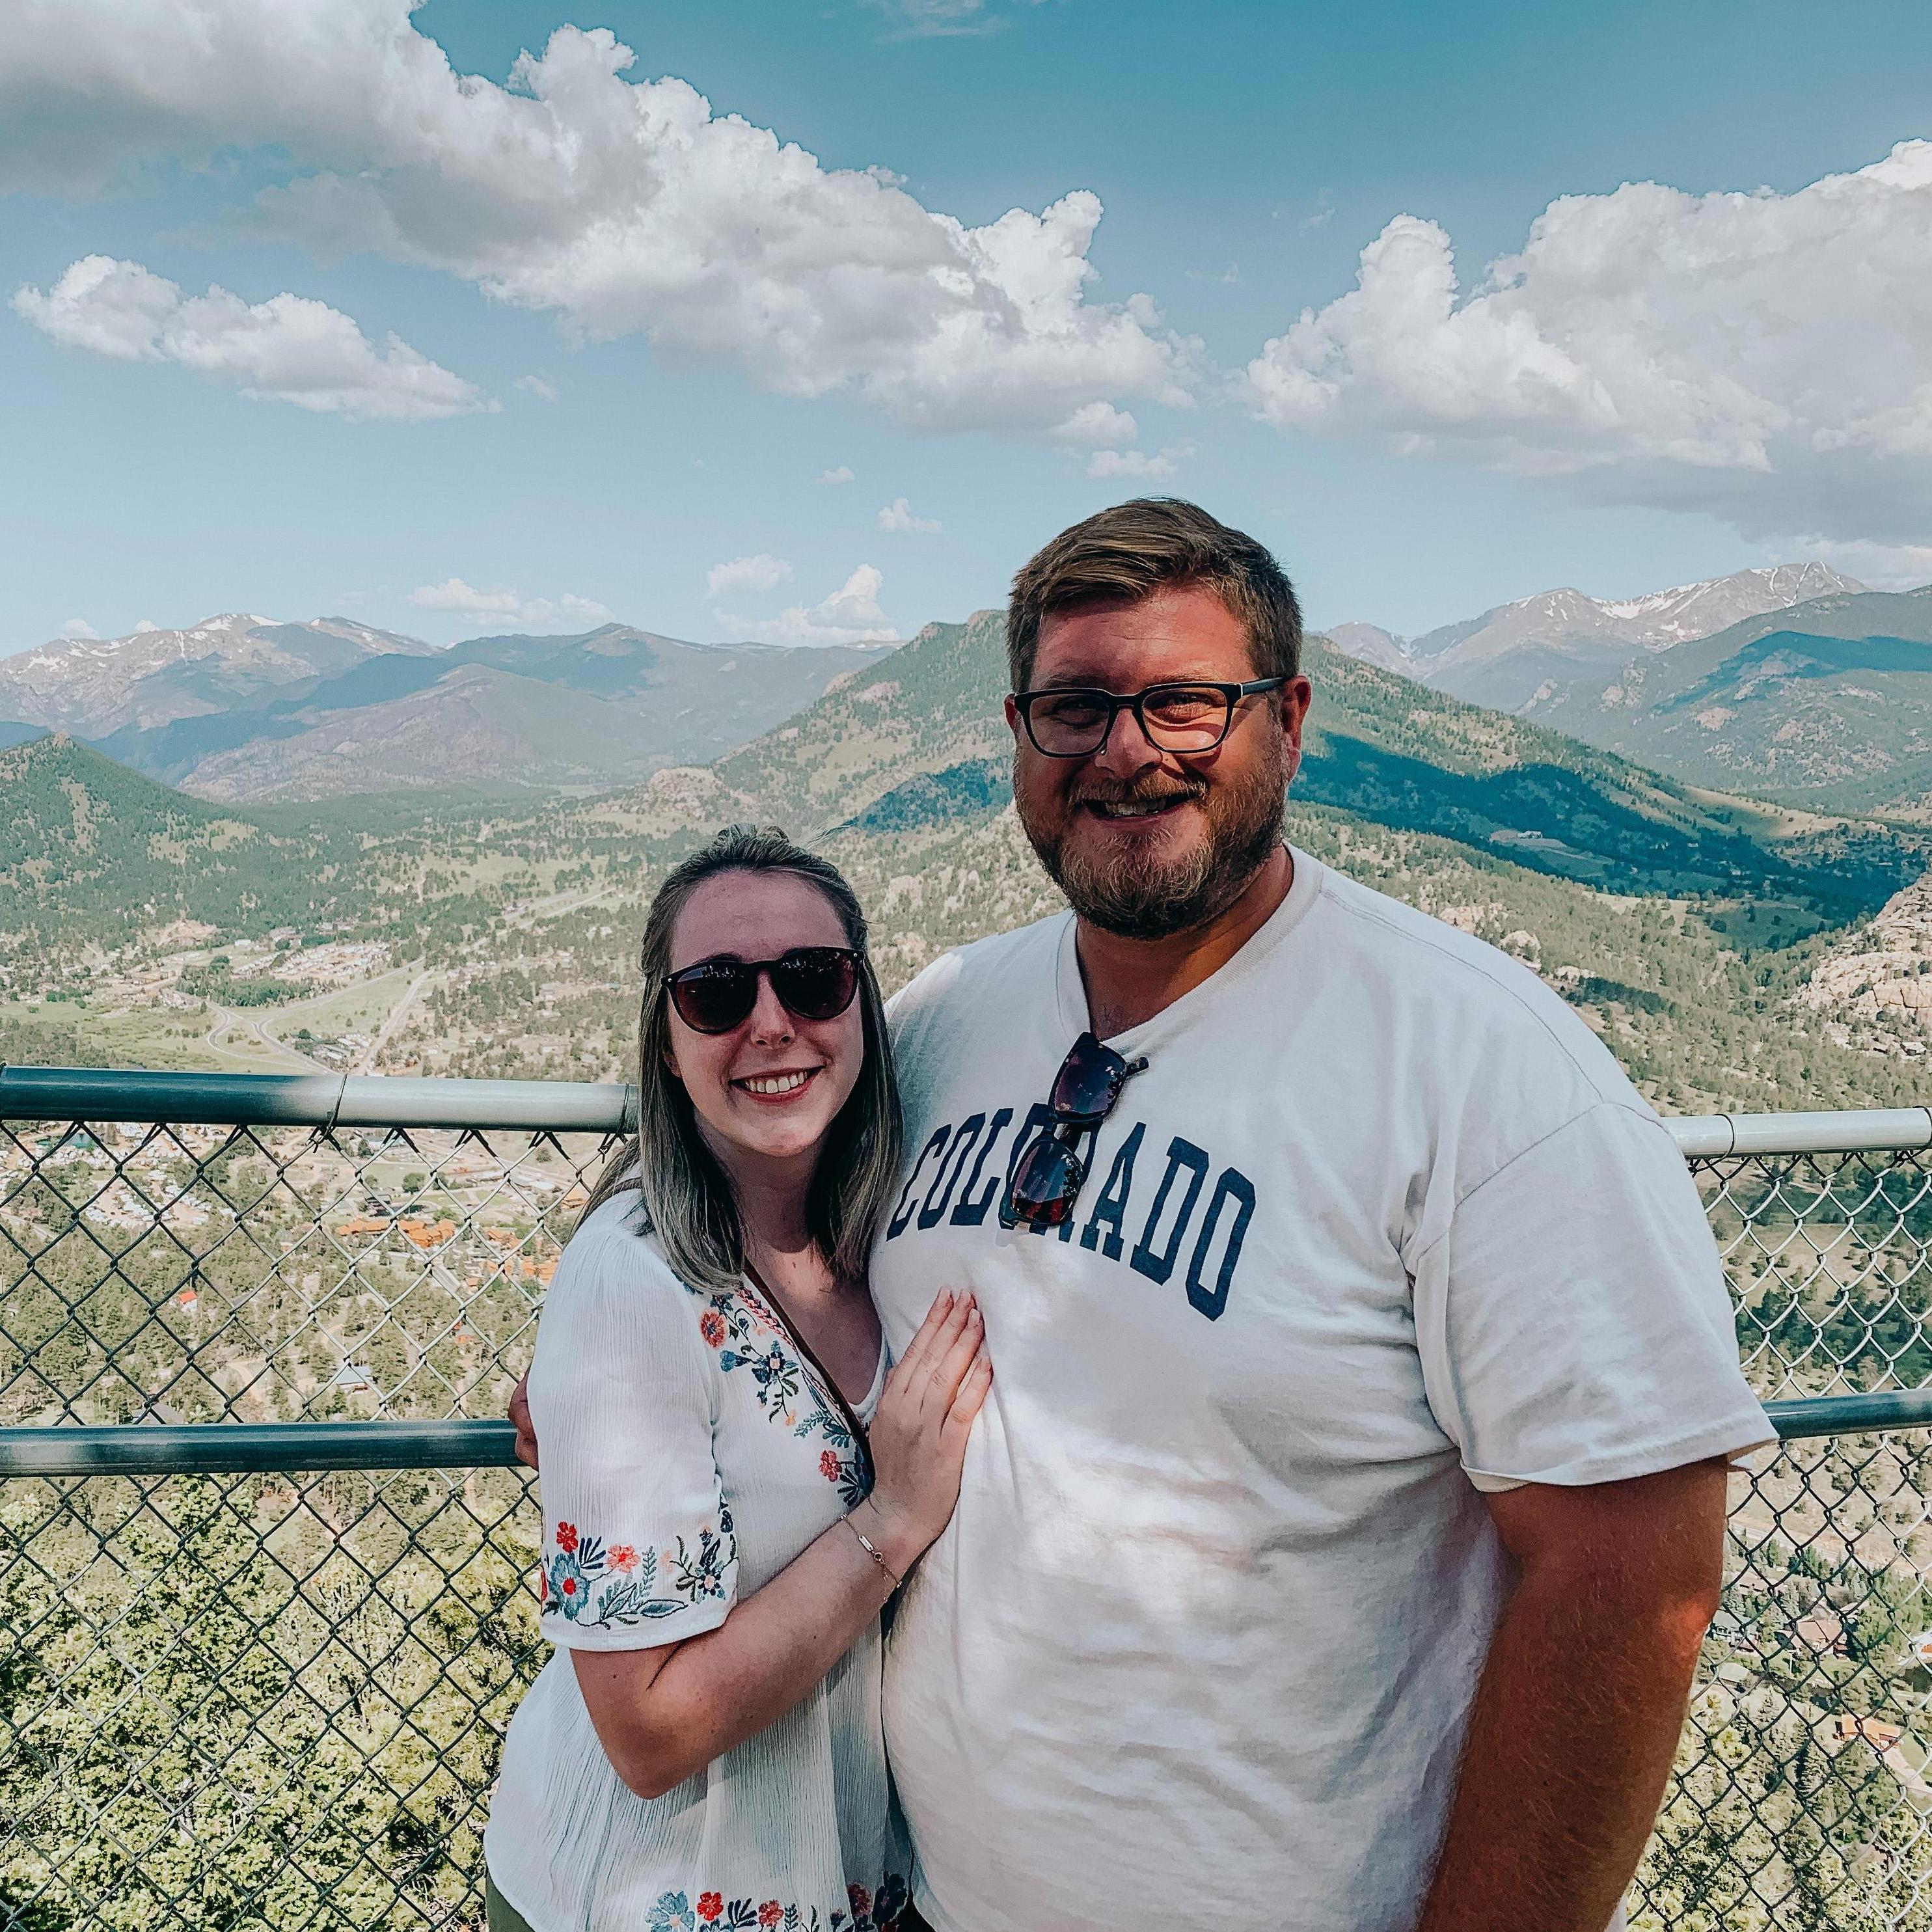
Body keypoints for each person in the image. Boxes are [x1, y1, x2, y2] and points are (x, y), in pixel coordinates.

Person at [517, 499, 1773, 1932]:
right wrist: (605, 1346)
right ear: (1019, 737)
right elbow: (761, 1194)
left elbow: (1636, 1573)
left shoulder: (1484, 1077)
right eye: (1075, 708)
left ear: (1287, 721)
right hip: (932, 1902)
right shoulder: (945, 1020)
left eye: (1184, 701)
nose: (1124, 750)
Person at [485, 826, 990, 1932]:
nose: (771, 1021)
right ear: (667, 1043)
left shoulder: (892, 1232)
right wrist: (889, 1520)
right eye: (715, 992)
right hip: (638, 1897)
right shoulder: (631, 1282)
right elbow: (648, 1734)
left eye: (812, 979)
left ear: (863, 1004)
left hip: (847, 1882)